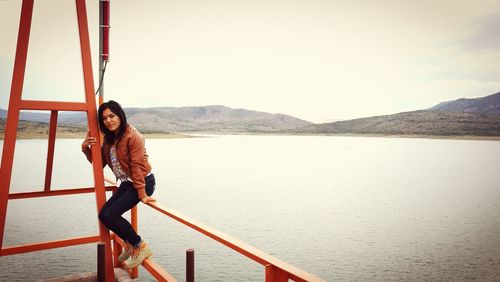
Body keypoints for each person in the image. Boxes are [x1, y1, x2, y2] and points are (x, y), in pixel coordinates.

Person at [81, 100, 155, 269]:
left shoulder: (133, 136)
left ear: (120, 116)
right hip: (127, 183)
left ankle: (140, 246)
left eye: (112, 116)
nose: (108, 120)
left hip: (143, 182)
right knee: (104, 215)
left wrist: (142, 194)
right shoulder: (109, 139)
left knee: (111, 215)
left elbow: (137, 167)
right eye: (104, 118)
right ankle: (131, 244)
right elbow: (98, 165)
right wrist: (85, 149)